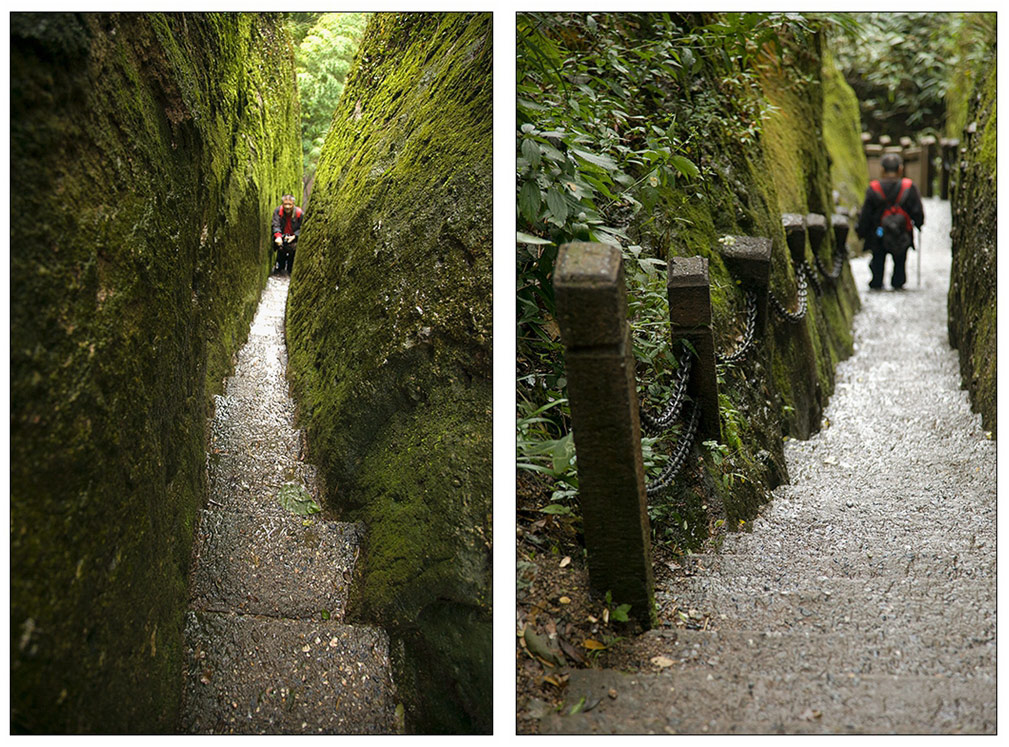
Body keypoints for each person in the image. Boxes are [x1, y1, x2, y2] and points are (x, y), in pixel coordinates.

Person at [855, 153, 924, 291]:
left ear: (882, 170)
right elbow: (918, 213)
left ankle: (877, 282)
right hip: (901, 235)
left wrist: (861, 232)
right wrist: (918, 224)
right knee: (899, 265)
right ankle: (898, 283)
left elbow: (866, 215)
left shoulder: (874, 189)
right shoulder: (909, 188)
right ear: (900, 169)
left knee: (878, 264)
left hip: (878, 236)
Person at [271, 194, 303, 275]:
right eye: (285, 204)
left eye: (290, 204)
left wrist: (295, 236)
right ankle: (280, 269)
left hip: (294, 238)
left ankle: (290, 270)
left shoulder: (299, 213)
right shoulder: (278, 211)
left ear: (293, 204)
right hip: (281, 237)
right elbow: (275, 224)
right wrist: (278, 237)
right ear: (282, 204)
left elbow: (303, 227)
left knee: (293, 250)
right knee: (280, 249)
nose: (287, 207)